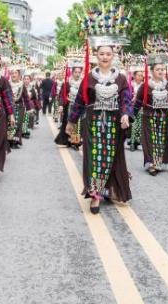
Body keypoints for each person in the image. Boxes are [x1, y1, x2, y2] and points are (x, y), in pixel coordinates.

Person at [67, 45, 132, 214]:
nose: (105, 57)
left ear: (113, 56)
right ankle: (95, 194)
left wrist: (126, 114)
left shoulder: (121, 78)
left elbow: (126, 100)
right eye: (101, 53)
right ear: (96, 56)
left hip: (114, 123)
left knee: (110, 156)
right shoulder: (89, 78)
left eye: (108, 54)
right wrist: (71, 121)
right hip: (93, 122)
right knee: (94, 157)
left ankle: (110, 189)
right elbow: (80, 101)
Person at [134, 59, 168, 175]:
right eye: (157, 69)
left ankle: (158, 162)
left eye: (162, 69)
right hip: (148, 117)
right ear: (151, 71)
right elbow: (138, 102)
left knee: (161, 140)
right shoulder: (145, 86)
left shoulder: (167, 86)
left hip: (164, 117)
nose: (160, 71)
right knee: (150, 140)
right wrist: (130, 116)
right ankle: (151, 164)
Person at [54, 65, 83, 149]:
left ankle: (75, 141)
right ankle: (68, 140)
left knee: (77, 124)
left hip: (79, 107)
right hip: (69, 106)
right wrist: (61, 105)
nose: (77, 74)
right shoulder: (67, 83)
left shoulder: (83, 83)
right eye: (75, 72)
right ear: (72, 72)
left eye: (79, 72)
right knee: (68, 123)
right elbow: (62, 95)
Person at [9, 68, 30, 148]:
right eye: (12, 73)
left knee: (18, 124)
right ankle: (9, 140)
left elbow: (26, 97)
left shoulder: (21, 85)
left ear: (19, 75)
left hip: (20, 108)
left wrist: (29, 108)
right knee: (10, 124)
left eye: (15, 73)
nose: (13, 75)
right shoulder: (7, 84)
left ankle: (15, 141)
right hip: (10, 108)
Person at [128, 70, 144, 151]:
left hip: (140, 107)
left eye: (141, 75)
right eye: (138, 75)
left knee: (138, 124)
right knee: (133, 123)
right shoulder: (130, 84)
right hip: (131, 106)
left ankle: (136, 141)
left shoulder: (144, 85)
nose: (140, 77)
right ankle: (132, 141)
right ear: (134, 76)